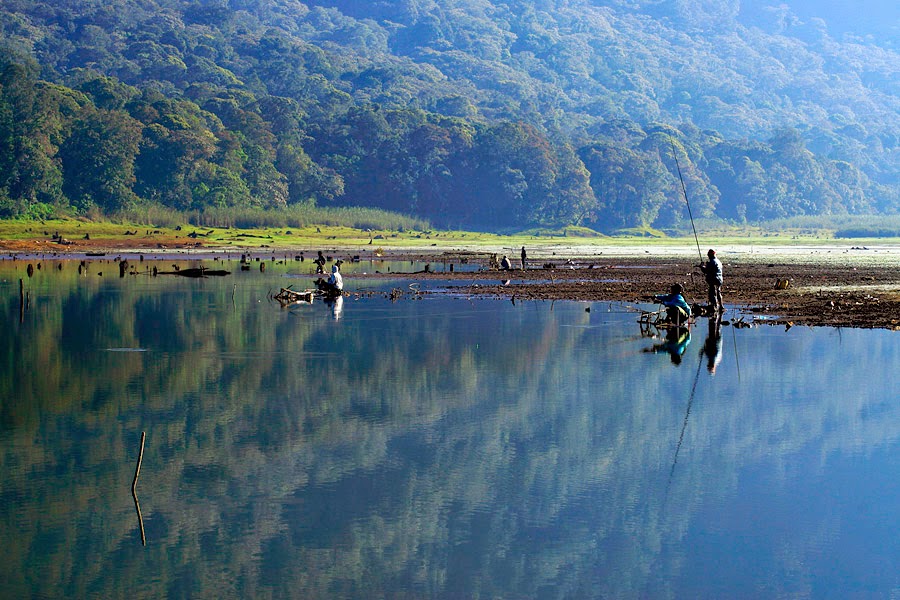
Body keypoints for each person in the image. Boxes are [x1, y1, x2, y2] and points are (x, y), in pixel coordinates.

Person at [698, 248, 724, 314]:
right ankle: (721, 306)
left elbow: (706, 271)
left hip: (713, 279)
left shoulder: (712, 262)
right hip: (719, 279)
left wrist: (701, 266)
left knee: (712, 293)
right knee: (718, 292)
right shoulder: (718, 261)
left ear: (710, 255)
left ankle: (714, 307)